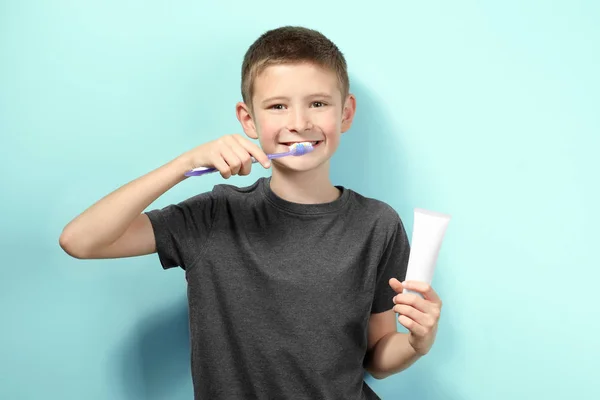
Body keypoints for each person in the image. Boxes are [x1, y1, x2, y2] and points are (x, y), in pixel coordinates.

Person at [59, 26, 443, 400]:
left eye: (318, 103)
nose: (299, 123)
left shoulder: (377, 225)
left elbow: (376, 357)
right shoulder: (214, 216)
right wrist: (184, 163)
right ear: (248, 120)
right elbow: (80, 240)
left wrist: (416, 342)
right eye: (278, 106)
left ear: (345, 113)